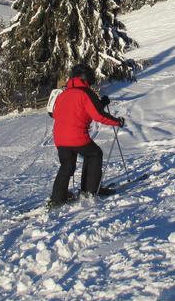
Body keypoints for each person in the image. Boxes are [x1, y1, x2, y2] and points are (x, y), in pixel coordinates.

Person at [50, 63, 124, 205]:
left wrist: (101, 103)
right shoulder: (85, 93)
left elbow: (78, 110)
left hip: (59, 138)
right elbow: (98, 115)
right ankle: (90, 190)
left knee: (67, 165)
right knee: (94, 154)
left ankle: (57, 198)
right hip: (76, 137)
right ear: (86, 78)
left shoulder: (63, 94)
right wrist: (117, 121)